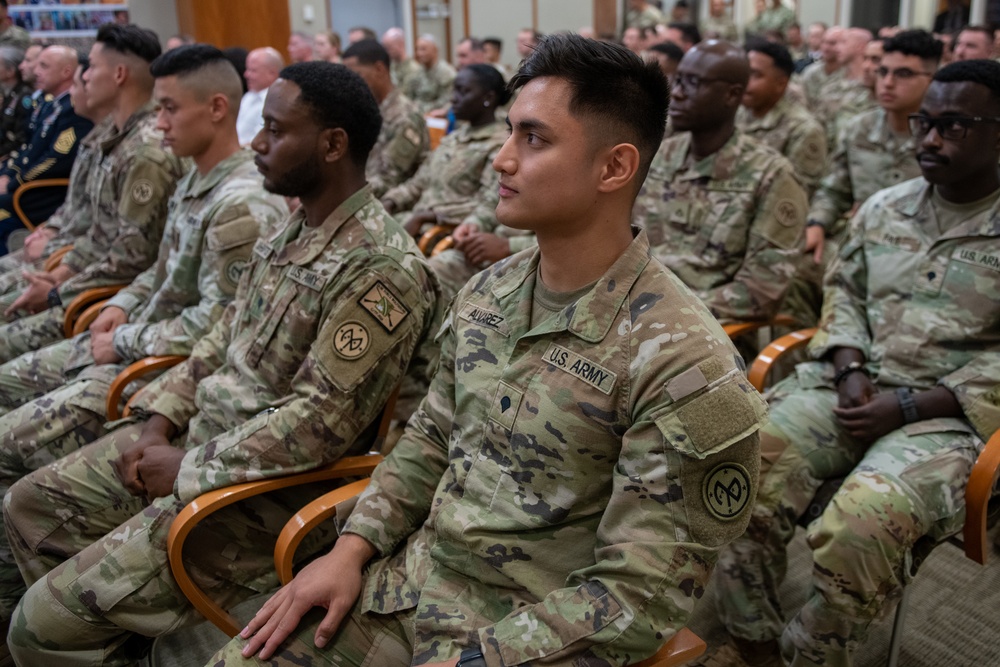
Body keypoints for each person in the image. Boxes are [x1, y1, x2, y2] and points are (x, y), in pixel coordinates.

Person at [206, 32, 764, 667]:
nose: (500, 159)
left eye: (533, 139)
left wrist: (481, 659)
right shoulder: (489, 291)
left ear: (614, 167)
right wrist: (352, 547)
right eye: (508, 133)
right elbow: (429, 439)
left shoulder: (687, 361)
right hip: (407, 585)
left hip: (530, 634)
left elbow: (641, 592)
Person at [4, 60, 440, 667]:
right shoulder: (292, 229)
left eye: (276, 130)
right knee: (27, 506)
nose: (257, 143)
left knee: (37, 627)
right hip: (197, 443)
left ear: (333, 144)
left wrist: (185, 467)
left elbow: (319, 423)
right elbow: (220, 339)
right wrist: (158, 419)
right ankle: (121, 632)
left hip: (257, 493)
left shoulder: (380, 268)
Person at [706, 57, 1000, 667]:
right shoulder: (885, 206)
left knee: (861, 525)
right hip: (849, 386)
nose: (929, 139)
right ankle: (752, 639)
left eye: (955, 126)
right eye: (925, 123)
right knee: (734, 471)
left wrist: (915, 403)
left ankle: (807, 655)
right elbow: (842, 294)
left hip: (950, 414)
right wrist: (850, 371)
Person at [0, 42, 289, 629]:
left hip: (160, 366)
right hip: (137, 343)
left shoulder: (242, 205)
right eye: (155, 111)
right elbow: (157, 271)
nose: (157, 125)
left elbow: (216, 325)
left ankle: (44, 617)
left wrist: (125, 337)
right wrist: (124, 307)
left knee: (12, 458)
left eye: (168, 111)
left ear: (215, 108)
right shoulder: (194, 180)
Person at [0, 24, 184, 362]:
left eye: (92, 69)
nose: (82, 80)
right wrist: (56, 270)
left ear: (118, 74)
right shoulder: (110, 136)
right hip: (77, 278)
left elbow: (130, 259)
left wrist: (56, 289)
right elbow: (91, 228)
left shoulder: (146, 151)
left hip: (97, 301)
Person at [633, 40, 808, 327]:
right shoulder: (659, 155)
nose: (676, 93)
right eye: (677, 80)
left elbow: (760, 293)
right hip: (632, 315)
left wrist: (661, 310)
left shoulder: (770, 175)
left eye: (693, 83)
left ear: (732, 95)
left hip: (705, 331)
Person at [0, 57, 111, 292]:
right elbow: (27, 151)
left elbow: (55, 161)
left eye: (43, 64)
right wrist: (51, 229)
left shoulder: (77, 116)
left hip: (40, 197)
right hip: (63, 234)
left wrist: (14, 183)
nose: (31, 69)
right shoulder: (55, 107)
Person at [384, 64, 506, 240]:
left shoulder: (499, 144)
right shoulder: (453, 138)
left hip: (449, 232)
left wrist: (430, 216)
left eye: (463, 92)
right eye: (454, 91)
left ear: (488, 97)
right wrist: (390, 202)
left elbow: (490, 204)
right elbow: (418, 183)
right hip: (414, 222)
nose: (454, 99)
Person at [342, 39, 429, 199]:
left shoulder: (405, 116)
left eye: (356, 75)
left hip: (388, 204)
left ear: (379, 69)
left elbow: (388, 179)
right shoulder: (364, 110)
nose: (350, 84)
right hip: (359, 193)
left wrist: (338, 192)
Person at [738, 41, 826, 195]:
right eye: (744, 72)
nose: (745, 81)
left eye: (756, 75)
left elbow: (795, 193)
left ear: (781, 84)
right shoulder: (736, 113)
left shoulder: (802, 129)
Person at [236, 47, 283, 146]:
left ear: (272, 73)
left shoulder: (277, 101)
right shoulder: (248, 96)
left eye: (253, 70)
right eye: (247, 69)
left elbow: (263, 141)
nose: (246, 74)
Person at [403, 34, 456, 115]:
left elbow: (448, 100)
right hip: (416, 115)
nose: (419, 53)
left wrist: (424, 109)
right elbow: (408, 96)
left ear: (435, 50)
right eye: (417, 49)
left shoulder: (447, 73)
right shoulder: (415, 72)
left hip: (436, 116)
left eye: (423, 49)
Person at [0, 46, 31, 160]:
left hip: (13, 158)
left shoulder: (24, 97)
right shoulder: (9, 94)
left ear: (10, 71)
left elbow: (21, 139)